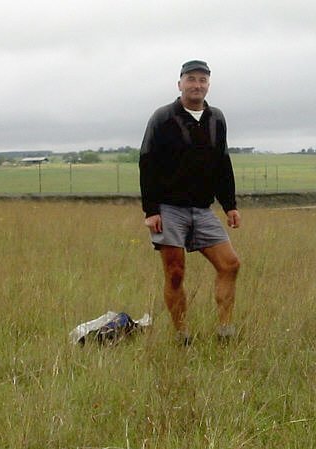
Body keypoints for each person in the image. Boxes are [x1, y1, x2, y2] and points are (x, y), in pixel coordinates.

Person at [139, 60, 241, 345]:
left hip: (202, 208)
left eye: (203, 80)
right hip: (168, 209)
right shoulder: (163, 117)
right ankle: (182, 334)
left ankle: (225, 330)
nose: (197, 85)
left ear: (208, 85)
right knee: (175, 273)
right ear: (180, 83)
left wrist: (230, 205)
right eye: (191, 79)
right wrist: (151, 210)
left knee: (230, 264)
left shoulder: (216, 118)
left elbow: (222, 162)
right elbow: (147, 163)